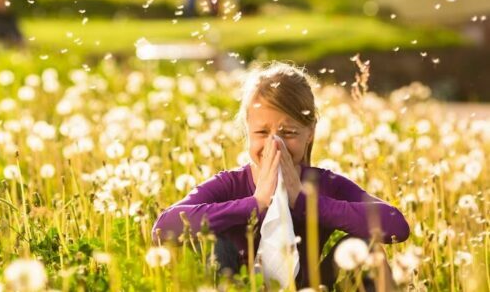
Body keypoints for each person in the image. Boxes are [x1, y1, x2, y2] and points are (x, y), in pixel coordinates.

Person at [152, 62, 410, 290]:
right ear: (247, 131)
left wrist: (305, 201)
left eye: (288, 133)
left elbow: (396, 225)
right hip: (238, 287)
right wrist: (255, 204)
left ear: (310, 132)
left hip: (311, 288)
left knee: (369, 249)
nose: (275, 145)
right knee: (214, 243)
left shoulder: (323, 184)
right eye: (262, 133)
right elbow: (164, 228)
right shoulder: (230, 184)